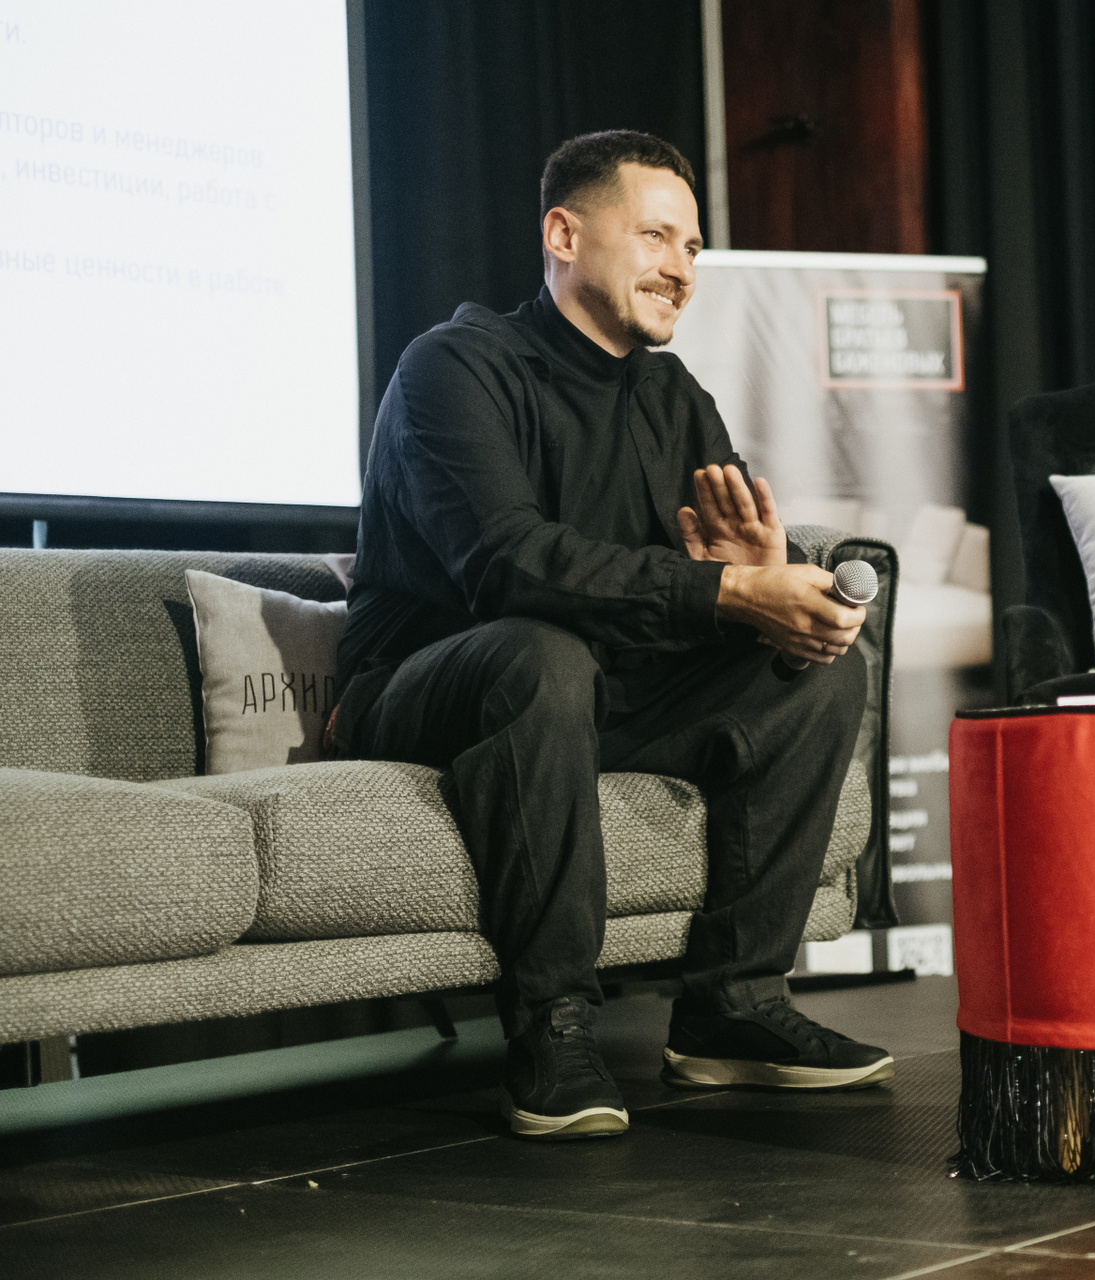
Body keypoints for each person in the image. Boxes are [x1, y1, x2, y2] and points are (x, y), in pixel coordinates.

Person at [332, 130, 893, 1141]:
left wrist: (752, 581)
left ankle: (734, 1005)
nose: (681, 268)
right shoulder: (452, 368)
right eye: (655, 236)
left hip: (592, 693)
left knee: (816, 676)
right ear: (564, 234)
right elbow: (507, 564)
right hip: (424, 688)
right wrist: (723, 590)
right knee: (537, 652)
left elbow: (702, 590)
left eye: (694, 247)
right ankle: (552, 1025)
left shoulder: (675, 398)